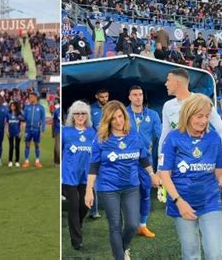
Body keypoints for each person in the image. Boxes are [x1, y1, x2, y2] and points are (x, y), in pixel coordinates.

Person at [159, 93, 222, 260]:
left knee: (215, 253)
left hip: (210, 201)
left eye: (206, 116)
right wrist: (179, 202)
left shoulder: (214, 138)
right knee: (191, 255)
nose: (203, 121)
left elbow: (220, 171)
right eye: (199, 116)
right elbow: (164, 175)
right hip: (182, 203)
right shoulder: (173, 138)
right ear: (188, 115)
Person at [85, 100, 154, 260]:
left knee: (132, 224)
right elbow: (93, 166)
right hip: (108, 188)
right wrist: (89, 190)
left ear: (125, 116)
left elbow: (143, 158)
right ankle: (119, 256)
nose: (118, 121)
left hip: (131, 187)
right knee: (115, 225)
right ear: (107, 120)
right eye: (113, 118)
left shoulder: (134, 135)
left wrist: (152, 174)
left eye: (120, 116)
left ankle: (123, 248)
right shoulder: (100, 139)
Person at [126, 85, 161, 238]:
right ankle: (129, 224)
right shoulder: (123, 114)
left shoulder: (152, 115)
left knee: (145, 193)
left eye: (140, 94)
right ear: (129, 97)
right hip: (126, 160)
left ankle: (142, 226)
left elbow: (161, 135)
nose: (138, 97)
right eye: (134, 94)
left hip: (146, 160)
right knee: (128, 193)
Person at [62, 100, 95, 251]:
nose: (80, 116)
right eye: (77, 113)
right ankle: (77, 240)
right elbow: (59, 153)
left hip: (86, 176)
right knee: (73, 206)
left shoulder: (91, 132)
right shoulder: (65, 132)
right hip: (69, 176)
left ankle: (77, 224)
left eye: (83, 113)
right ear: (72, 116)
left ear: (87, 116)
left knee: (84, 205)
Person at [89, 88, 109, 219]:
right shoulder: (91, 110)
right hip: (96, 148)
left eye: (106, 96)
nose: (104, 99)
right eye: (102, 97)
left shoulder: (112, 108)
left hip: (110, 147)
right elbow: (88, 127)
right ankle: (94, 210)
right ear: (97, 96)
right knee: (94, 178)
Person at [22, 92, 46, 168]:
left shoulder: (41, 107)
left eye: (31, 97)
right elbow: (24, 118)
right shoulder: (26, 107)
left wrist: (42, 131)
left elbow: (43, 120)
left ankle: (37, 161)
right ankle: (26, 161)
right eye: (29, 97)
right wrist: (21, 118)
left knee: (37, 145)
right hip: (28, 129)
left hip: (36, 129)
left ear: (35, 97)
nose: (30, 98)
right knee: (27, 145)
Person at [6, 101, 23, 167]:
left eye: (13, 106)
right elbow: (7, 123)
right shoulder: (8, 114)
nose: (12, 107)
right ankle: (10, 161)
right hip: (10, 132)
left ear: (16, 106)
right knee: (11, 147)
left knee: (17, 147)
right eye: (11, 106)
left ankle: (17, 161)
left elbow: (21, 123)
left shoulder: (19, 114)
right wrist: (7, 131)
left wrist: (21, 132)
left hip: (17, 132)